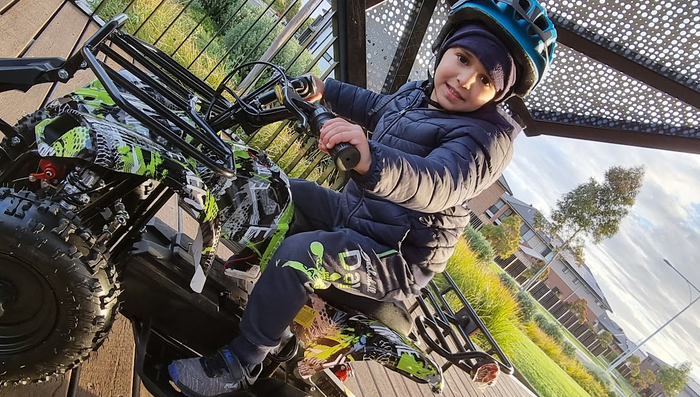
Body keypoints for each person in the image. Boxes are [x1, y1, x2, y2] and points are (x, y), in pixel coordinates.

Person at [168, 0, 557, 395]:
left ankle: (243, 360)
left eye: (485, 80)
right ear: (444, 49)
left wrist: (371, 159)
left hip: (395, 257)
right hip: (354, 216)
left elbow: (439, 182)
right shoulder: (416, 95)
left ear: (497, 96)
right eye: (463, 58)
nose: (465, 80)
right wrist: (324, 90)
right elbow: (374, 108)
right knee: (281, 189)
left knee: (302, 256)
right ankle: (255, 270)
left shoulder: (487, 142)